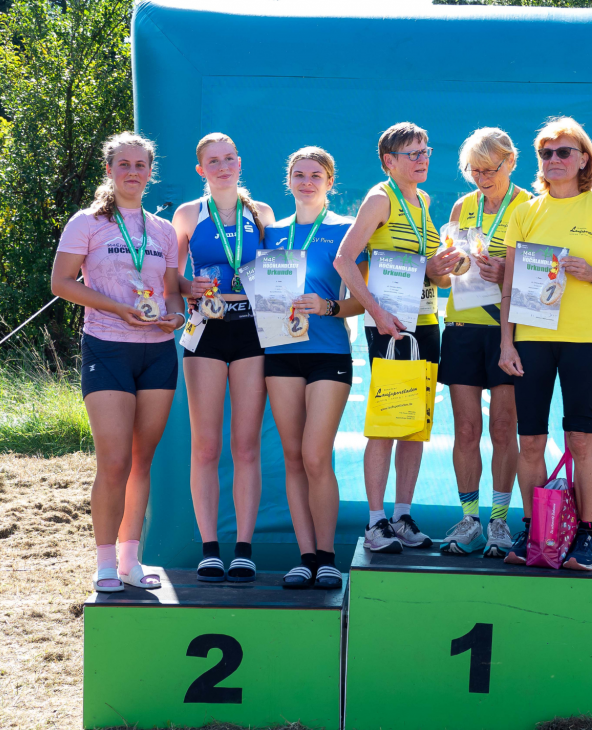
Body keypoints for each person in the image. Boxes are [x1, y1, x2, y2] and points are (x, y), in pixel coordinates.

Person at [499, 116, 592, 570]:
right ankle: (534, 531)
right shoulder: (524, 211)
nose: (554, 159)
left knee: (580, 439)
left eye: (564, 152)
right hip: (530, 339)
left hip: (584, 339)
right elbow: (509, 285)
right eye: (546, 153)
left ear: (584, 159)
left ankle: (586, 536)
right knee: (530, 442)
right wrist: (506, 343)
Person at [51, 132, 186, 592]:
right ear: (109, 170)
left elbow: (171, 291)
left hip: (157, 352)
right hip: (107, 347)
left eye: (140, 165)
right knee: (114, 461)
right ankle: (105, 563)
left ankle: (131, 561)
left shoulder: (163, 230)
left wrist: (176, 317)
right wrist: (117, 308)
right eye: (123, 164)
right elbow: (62, 283)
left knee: (141, 461)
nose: (132, 172)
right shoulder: (87, 222)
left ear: (150, 172)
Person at [335, 122, 461, 552]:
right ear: (389, 161)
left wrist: (444, 269)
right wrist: (376, 311)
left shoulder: (422, 200)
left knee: (415, 425)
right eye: (414, 153)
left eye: (426, 151)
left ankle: (402, 516)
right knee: (387, 423)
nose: (423, 159)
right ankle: (375, 523)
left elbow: (429, 274)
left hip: (424, 321)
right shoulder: (379, 198)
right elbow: (344, 260)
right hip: (390, 326)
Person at [172, 133, 275, 583]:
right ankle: (210, 548)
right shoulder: (188, 214)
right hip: (205, 331)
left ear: (239, 162)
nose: (222, 166)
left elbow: (276, 275)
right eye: (213, 161)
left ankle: (244, 549)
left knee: (246, 446)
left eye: (229, 158)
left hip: (252, 329)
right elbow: (172, 275)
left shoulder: (261, 213)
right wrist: (186, 286)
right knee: (206, 446)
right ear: (201, 170)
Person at [264, 147, 365, 589]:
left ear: (330, 182)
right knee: (292, 457)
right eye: (299, 175)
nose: (307, 182)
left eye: (316, 175)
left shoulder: (346, 230)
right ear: (289, 181)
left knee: (315, 455)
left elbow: (364, 299)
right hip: (280, 351)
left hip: (328, 351)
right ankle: (305, 557)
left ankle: (327, 557)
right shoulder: (271, 233)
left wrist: (328, 306)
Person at [438, 128, 530, 557]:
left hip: (507, 329)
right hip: (462, 324)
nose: (482, 178)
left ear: (510, 162)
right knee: (466, 428)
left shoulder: (530, 205)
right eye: (474, 171)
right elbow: (448, 273)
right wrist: (447, 266)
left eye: (489, 169)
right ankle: (470, 518)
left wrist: (505, 273)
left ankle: (498, 520)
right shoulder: (463, 206)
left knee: (503, 427)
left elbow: (542, 277)